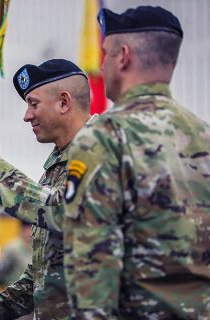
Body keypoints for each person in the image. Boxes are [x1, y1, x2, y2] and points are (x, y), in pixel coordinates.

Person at [63, 6, 210, 319]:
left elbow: (91, 260)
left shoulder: (105, 135)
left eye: (104, 54)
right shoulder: (204, 136)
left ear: (123, 56)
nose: (100, 65)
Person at [0, 59, 94, 319]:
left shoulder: (102, 152)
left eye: (34, 103)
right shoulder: (57, 167)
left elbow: (61, 210)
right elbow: (45, 272)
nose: (27, 115)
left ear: (64, 102)